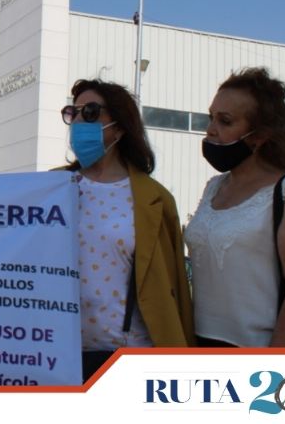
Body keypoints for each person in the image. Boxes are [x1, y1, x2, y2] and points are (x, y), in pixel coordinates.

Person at [58, 79, 193, 382]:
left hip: (131, 358)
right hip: (60, 354)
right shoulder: (50, 186)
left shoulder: (154, 198)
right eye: (73, 112)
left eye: (90, 112)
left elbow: (175, 285)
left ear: (120, 127)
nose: (79, 121)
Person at [184, 67, 285, 347]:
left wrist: (272, 370)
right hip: (197, 347)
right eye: (211, 117)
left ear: (259, 136)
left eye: (225, 121)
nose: (211, 130)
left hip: (255, 352)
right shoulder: (213, 186)